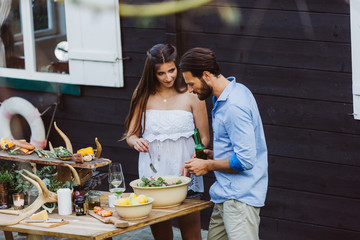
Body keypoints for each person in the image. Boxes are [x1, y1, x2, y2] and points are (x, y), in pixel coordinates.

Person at [123, 43, 210, 240]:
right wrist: (135, 141)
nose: (168, 77)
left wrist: (195, 158)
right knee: (162, 237)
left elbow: (204, 138)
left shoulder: (192, 94)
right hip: (154, 178)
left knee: (192, 236)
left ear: (177, 67)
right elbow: (131, 135)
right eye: (161, 73)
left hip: (185, 173)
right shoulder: (143, 95)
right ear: (152, 73)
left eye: (171, 70)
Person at [179, 47, 268, 240]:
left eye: (191, 84)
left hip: (240, 199)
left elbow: (245, 160)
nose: (190, 90)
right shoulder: (233, 92)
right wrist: (212, 155)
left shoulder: (234, 105)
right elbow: (238, 147)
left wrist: (208, 165)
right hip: (225, 195)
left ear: (206, 75)